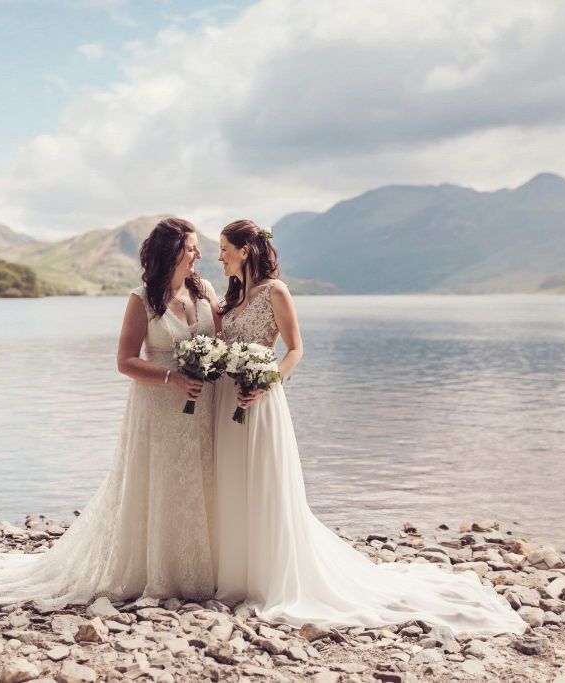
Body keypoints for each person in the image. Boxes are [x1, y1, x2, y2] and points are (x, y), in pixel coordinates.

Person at [212, 219, 527, 635]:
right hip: (227, 404)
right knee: (233, 481)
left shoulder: (276, 292)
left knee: (265, 484)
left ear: (246, 250)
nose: (219, 257)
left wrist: (267, 380)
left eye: (223, 249)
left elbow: (295, 349)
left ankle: (268, 576)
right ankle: (235, 571)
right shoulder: (232, 298)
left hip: (262, 402)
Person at [0, 217, 223, 609]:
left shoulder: (204, 291)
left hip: (201, 404)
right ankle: (156, 570)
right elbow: (124, 361)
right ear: (172, 253)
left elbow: (221, 338)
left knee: (196, 480)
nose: (198, 255)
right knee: (157, 481)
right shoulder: (142, 300)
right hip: (158, 404)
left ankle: (199, 568)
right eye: (191, 248)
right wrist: (172, 378)